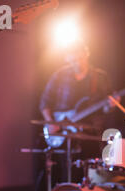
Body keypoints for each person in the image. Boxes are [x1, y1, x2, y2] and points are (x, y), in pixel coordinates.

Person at [38, 42, 118, 183]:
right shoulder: (60, 75)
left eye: (80, 58)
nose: (77, 62)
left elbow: (106, 109)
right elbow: (45, 101)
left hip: (90, 132)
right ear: (67, 58)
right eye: (73, 59)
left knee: (92, 173)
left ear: (86, 54)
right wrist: (51, 122)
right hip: (65, 134)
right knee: (66, 172)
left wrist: (111, 105)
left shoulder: (99, 77)